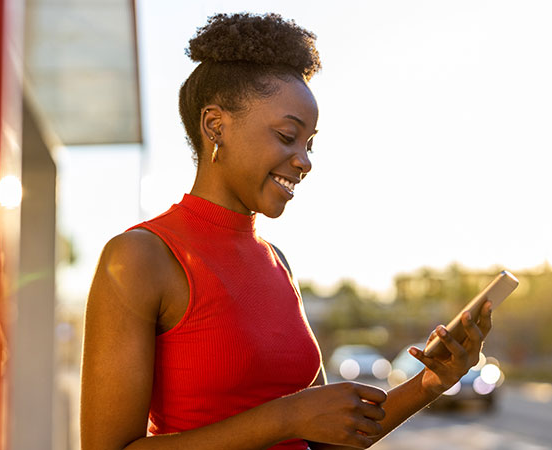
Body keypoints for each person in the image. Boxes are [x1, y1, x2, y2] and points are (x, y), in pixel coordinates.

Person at [80, 12, 492, 450]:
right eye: (287, 135)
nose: (304, 161)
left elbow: (332, 433)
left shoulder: (277, 262)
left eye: (309, 144)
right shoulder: (140, 257)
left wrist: (430, 382)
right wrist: (287, 416)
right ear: (215, 125)